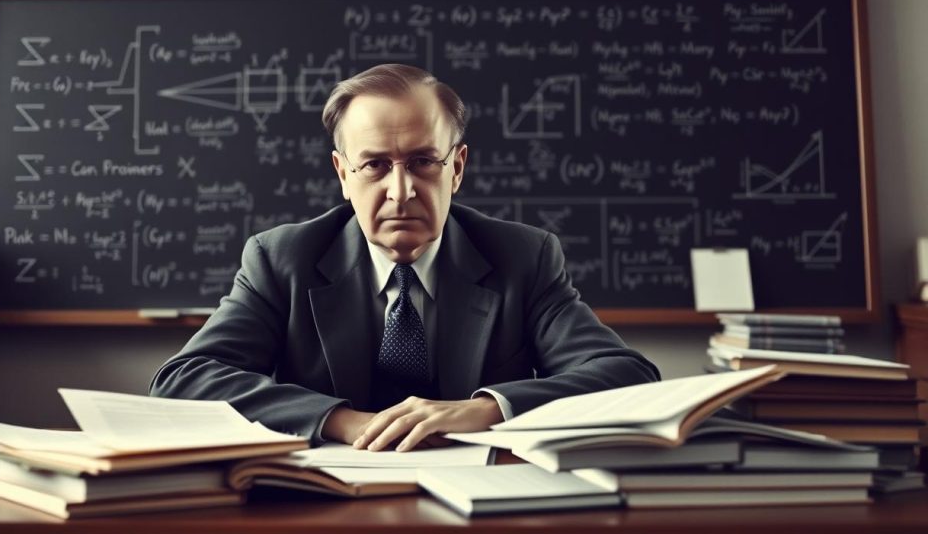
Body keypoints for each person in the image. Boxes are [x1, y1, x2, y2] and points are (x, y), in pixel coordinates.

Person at [149, 64, 659, 452]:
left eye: (422, 162)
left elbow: (627, 375)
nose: (400, 191)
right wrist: (344, 421)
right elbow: (182, 380)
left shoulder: (523, 258)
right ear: (343, 174)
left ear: (456, 169)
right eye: (374, 165)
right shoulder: (281, 259)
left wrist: (486, 410)